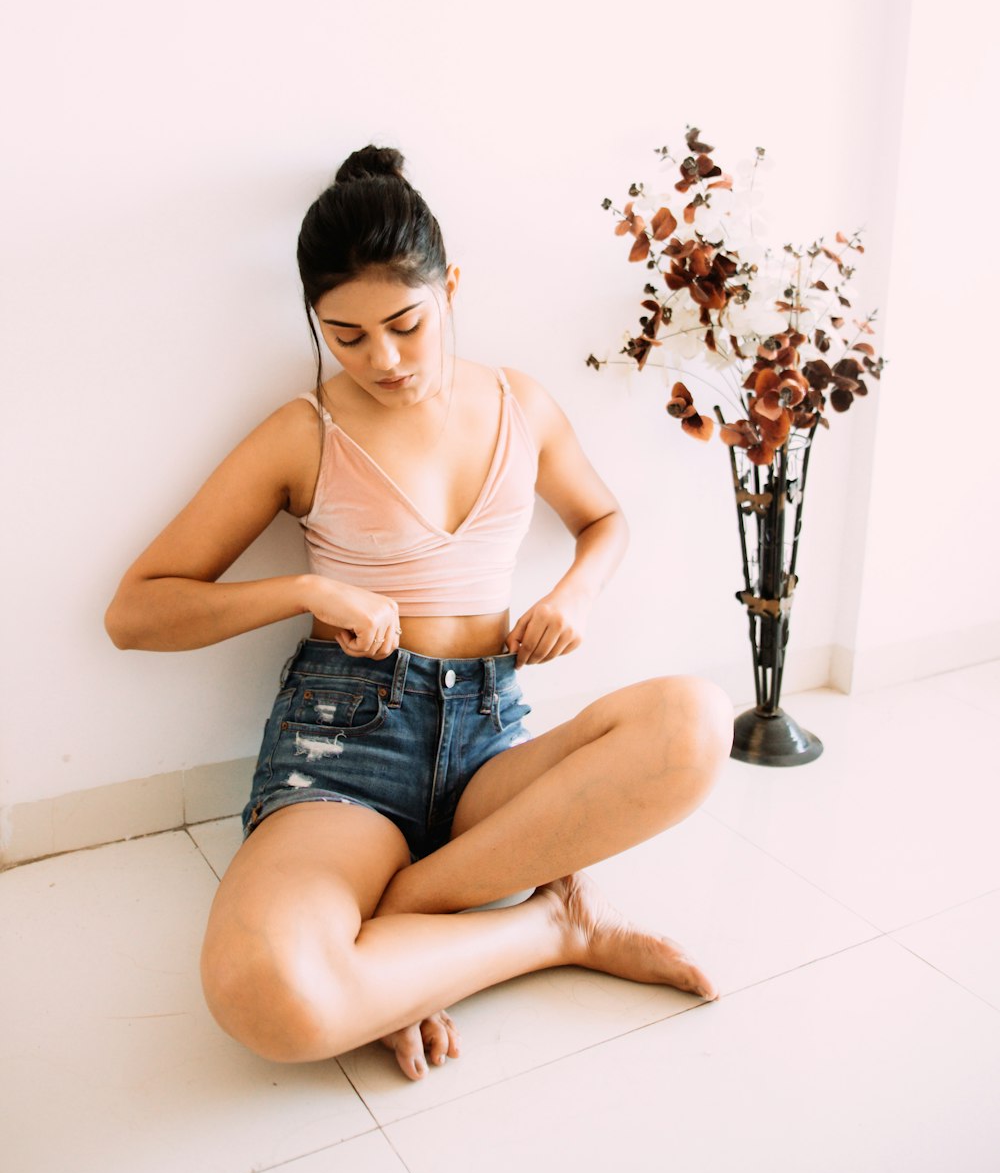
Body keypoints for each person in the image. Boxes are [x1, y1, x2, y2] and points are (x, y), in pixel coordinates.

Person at [104, 144, 734, 1081]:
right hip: (346, 748)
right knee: (267, 995)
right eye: (345, 337)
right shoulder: (303, 432)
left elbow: (604, 520)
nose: (384, 361)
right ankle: (550, 925)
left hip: (489, 742)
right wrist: (308, 590)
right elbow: (137, 611)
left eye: (406, 323)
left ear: (452, 289)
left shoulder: (522, 404)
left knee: (696, 721)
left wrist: (576, 591)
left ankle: (404, 930)